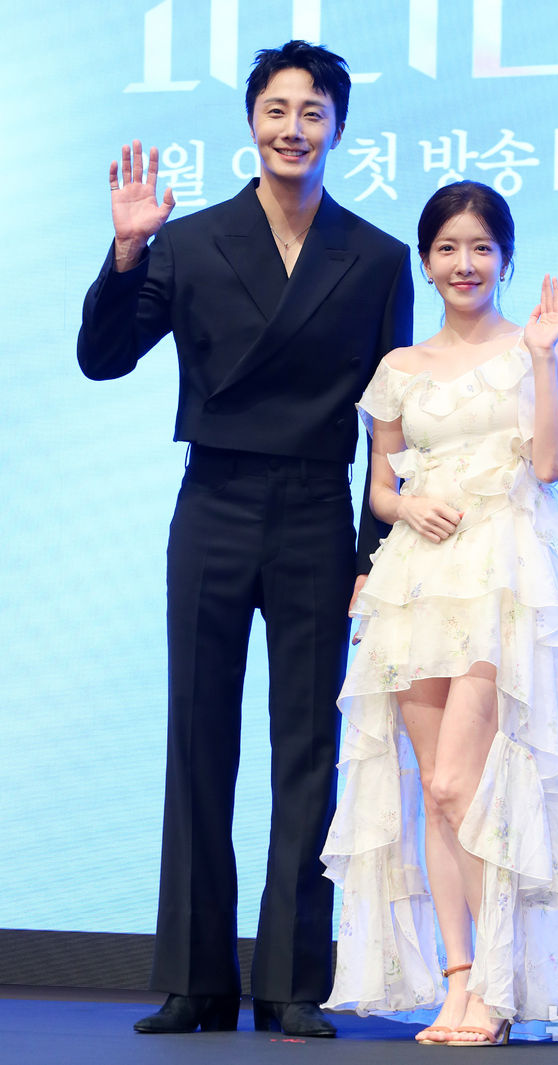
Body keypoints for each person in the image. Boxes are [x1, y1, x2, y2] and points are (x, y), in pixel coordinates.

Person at [77, 41, 412, 1037]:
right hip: (214, 503)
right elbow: (103, 358)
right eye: (276, 109)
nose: (292, 128)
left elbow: (391, 426)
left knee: (308, 747)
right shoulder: (187, 240)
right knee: (198, 737)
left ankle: (293, 982)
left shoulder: (376, 256)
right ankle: (196, 978)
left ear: (338, 129)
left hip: (314, 513)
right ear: (252, 121)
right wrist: (127, 253)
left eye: (312, 113)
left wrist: (375, 555)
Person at [321, 181, 558, 1045]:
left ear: (505, 259)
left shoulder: (533, 352)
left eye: (481, 248)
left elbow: (552, 463)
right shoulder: (399, 368)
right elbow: (381, 487)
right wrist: (406, 506)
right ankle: (458, 984)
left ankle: (493, 981)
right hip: (415, 585)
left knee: (464, 783)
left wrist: (544, 360)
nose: (465, 263)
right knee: (435, 794)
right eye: (448, 248)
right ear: (426, 261)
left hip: (497, 582)